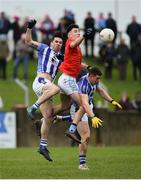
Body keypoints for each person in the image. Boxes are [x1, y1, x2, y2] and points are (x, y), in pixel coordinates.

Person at [54, 67, 122, 170]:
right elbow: (84, 104)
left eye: (99, 78)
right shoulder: (84, 85)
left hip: (85, 108)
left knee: (86, 135)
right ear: (90, 76)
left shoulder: (93, 82)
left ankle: (61, 119)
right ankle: (81, 163)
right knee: (86, 135)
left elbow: (101, 91)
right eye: (97, 78)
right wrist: (93, 117)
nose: (98, 81)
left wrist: (112, 101)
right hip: (79, 108)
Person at [57, 24, 103, 143]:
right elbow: (74, 43)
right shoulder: (70, 42)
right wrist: (83, 36)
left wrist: (88, 67)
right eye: (75, 31)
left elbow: (78, 63)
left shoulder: (77, 49)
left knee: (64, 106)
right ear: (69, 35)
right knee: (84, 104)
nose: (77, 32)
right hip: (68, 79)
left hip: (66, 79)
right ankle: (71, 130)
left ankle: (46, 119)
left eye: (79, 31)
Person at [25, 19, 64, 161]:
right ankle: (33, 107)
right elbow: (28, 41)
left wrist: (88, 68)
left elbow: (76, 65)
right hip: (41, 81)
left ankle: (42, 146)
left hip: (46, 89)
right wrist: (29, 27)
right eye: (56, 41)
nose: (58, 44)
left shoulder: (61, 59)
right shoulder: (44, 48)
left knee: (48, 117)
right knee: (56, 89)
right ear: (51, 43)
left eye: (60, 42)